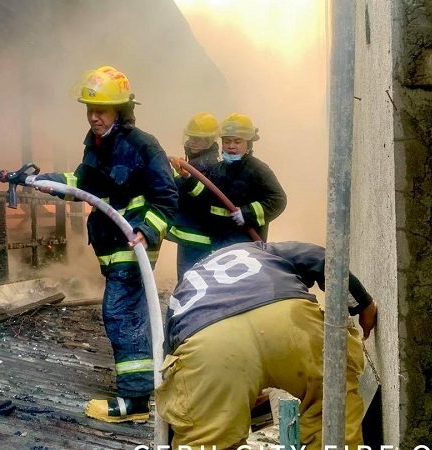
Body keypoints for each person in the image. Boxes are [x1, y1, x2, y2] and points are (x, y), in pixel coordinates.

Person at [34, 66, 177, 423]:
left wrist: (147, 229)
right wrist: (44, 180)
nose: (94, 117)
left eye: (102, 110)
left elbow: (167, 196)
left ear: (121, 111)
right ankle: (153, 384)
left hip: (133, 244)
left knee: (121, 313)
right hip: (112, 245)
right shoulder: (96, 144)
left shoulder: (142, 145)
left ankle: (135, 402)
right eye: (90, 109)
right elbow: (84, 183)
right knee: (133, 314)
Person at [156, 241, 378, 449]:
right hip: (289, 322)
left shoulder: (184, 285)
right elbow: (321, 259)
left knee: (208, 438)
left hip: (209, 343)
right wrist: (362, 303)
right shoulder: (259, 249)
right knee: (331, 408)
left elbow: (174, 365)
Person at [173, 113, 287, 250]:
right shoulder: (218, 169)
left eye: (237, 142)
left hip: (246, 244)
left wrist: (246, 214)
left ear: (248, 144)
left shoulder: (258, 170)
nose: (231, 146)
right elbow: (206, 197)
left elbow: (278, 199)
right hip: (218, 242)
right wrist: (188, 178)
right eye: (227, 142)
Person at [168, 112, 221, 281]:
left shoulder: (210, 167)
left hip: (199, 238)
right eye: (191, 137)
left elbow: (204, 199)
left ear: (210, 141)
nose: (192, 142)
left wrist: (185, 177)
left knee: (191, 283)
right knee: (189, 281)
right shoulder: (194, 164)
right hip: (188, 236)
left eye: (198, 138)